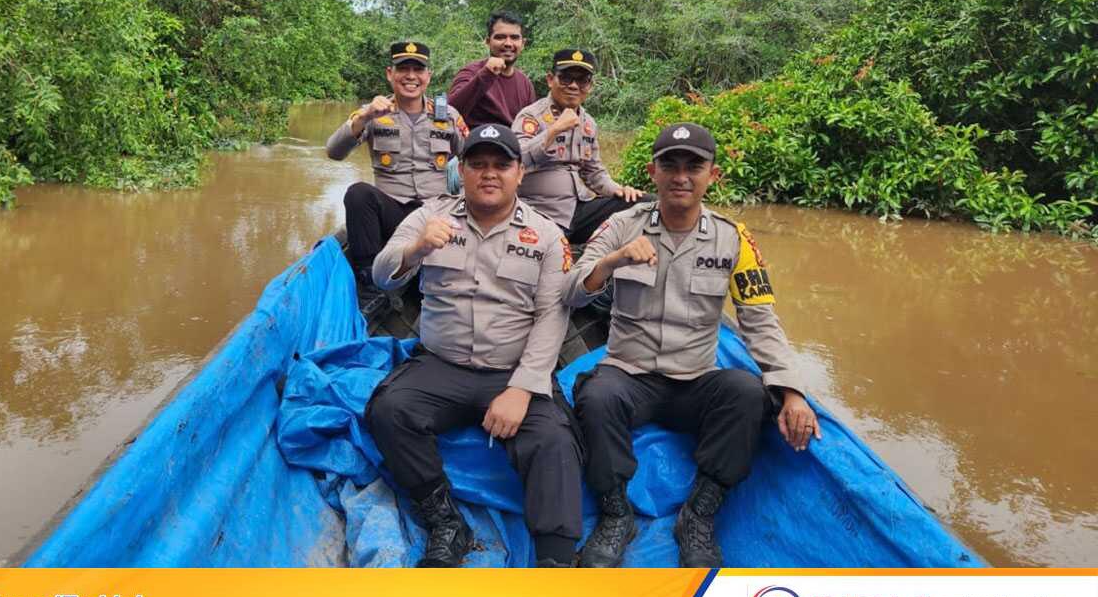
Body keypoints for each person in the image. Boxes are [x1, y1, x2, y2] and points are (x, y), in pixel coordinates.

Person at [564, 123, 821, 568]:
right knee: (594, 394)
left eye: (693, 166)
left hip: (695, 379)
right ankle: (615, 514)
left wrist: (792, 392)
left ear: (712, 175)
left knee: (746, 393)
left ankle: (699, 515)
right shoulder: (621, 225)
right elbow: (571, 292)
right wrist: (613, 260)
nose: (681, 176)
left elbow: (759, 320)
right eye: (670, 165)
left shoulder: (734, 239)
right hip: (628, 372)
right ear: (653, 171)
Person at [365, 124, 582, 568]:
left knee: (556, 442)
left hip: (512, 368)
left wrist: (523, 389)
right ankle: (444, 520)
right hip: (441, 365)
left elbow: (552, 317)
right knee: (388, 411)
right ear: (459, 170)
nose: (489, 174)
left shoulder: (547, 235)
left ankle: (556, 562)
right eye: (477, 164)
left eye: (501, 164)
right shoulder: (430, 216)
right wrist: (416, 249)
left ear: (519, 172)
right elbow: (381, 276)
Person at [326, 41, 468, 317]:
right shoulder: (374, 113)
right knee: (358, 193)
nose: (411, 76)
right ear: (390, 74)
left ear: (429, 75)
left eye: (418, 69)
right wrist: (365, 117)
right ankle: (370, 283)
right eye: (403, 69)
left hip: (434, 213)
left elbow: (471, 157)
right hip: (391, 211)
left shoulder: (448, 116)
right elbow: (334, 152)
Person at [513, 49, 648, 244]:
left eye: (582, 80)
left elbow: (594, 172)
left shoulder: (588, 123)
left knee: (645, 204)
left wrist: (618, 190)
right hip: (540, 210)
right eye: (566, 78)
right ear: (551, 80)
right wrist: (554, 130)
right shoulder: (531, 116)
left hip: (579, 208)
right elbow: (514, 160)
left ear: (590, 86)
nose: (574, 86)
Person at [448, 11, 537, 129]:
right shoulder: (471, 73)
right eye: (500, 37)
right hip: (476, 143)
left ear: (523, 43)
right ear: (488, 42)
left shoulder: (525, 83)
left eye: (514, 38)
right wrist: (487, 74)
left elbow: (530, 125)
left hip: (513, 144)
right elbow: (450, 112)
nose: (508, 43)